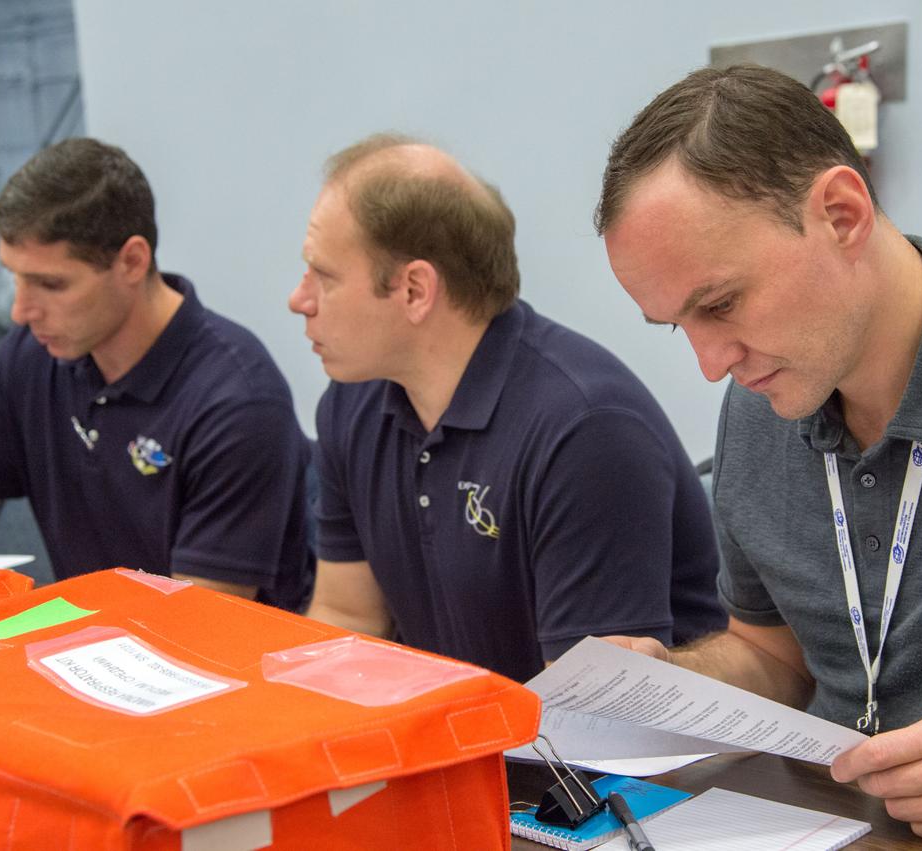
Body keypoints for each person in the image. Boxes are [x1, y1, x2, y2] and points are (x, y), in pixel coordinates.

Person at [596, 64, 922, 845]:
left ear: (841, 213)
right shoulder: (759, 406)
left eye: (721, 302)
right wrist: (670, 682)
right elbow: (774, 655)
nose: (709, 362)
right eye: (676, 324)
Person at [289, 134, 726, 682]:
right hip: (472, 742)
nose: (298, 299)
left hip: (602, 761)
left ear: (415, 290)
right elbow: (347, 617)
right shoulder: (353, 402)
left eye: (323, 276)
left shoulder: (585, 431)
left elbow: (592, 715)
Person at [0, 137, 312, 608]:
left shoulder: (235, 400)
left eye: (49, 284)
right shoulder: (37, 353)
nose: (20, 310)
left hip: (210, 666)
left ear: (131, 261)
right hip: (94, 648)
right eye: (14, 276)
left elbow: (204, 619)